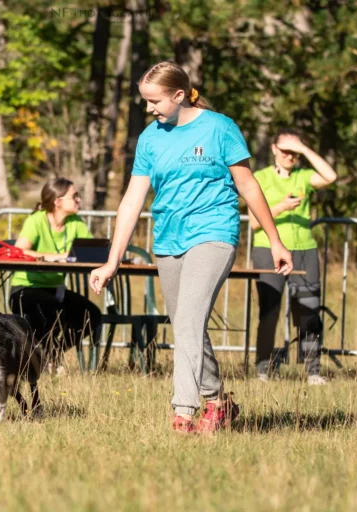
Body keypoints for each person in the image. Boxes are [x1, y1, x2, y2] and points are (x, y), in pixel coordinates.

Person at [88, 61, 293, 434]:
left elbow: (248, 187)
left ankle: (184, 411)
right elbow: (132, 200)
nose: (149, 109)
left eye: (155, 101)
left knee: (189, 321)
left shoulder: (220, 128)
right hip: (168, 240)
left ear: (179, 95)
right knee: (186, 323)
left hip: (213, 233)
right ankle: (218, 401)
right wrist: (111, 261)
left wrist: (275, 240)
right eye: (145, 101)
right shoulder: (151, 138)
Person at [249, 128, 337, 385]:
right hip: (269, 248)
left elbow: (330, 176)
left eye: (294, 152)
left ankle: (313, 371)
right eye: (286, 150)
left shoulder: (303, 176)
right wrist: (280, 207)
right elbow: (254, 222)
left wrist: (304, 149)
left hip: (304, 249)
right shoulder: (261, 177)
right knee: (270, 309)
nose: (290, 156)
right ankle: (263, 368)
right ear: (274, 149)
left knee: (308, 308)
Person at [10, 178, 102, 374]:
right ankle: (36, 359)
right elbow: (20, 252)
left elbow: (92, 253)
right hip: (26, 288)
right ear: (57, 201)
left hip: (55, 290)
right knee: (51, 307)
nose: (79, 200)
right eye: (75, 196)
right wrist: (58, 258)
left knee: (92, 314)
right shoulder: (36, 220)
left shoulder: (75, 223)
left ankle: (52, 353)